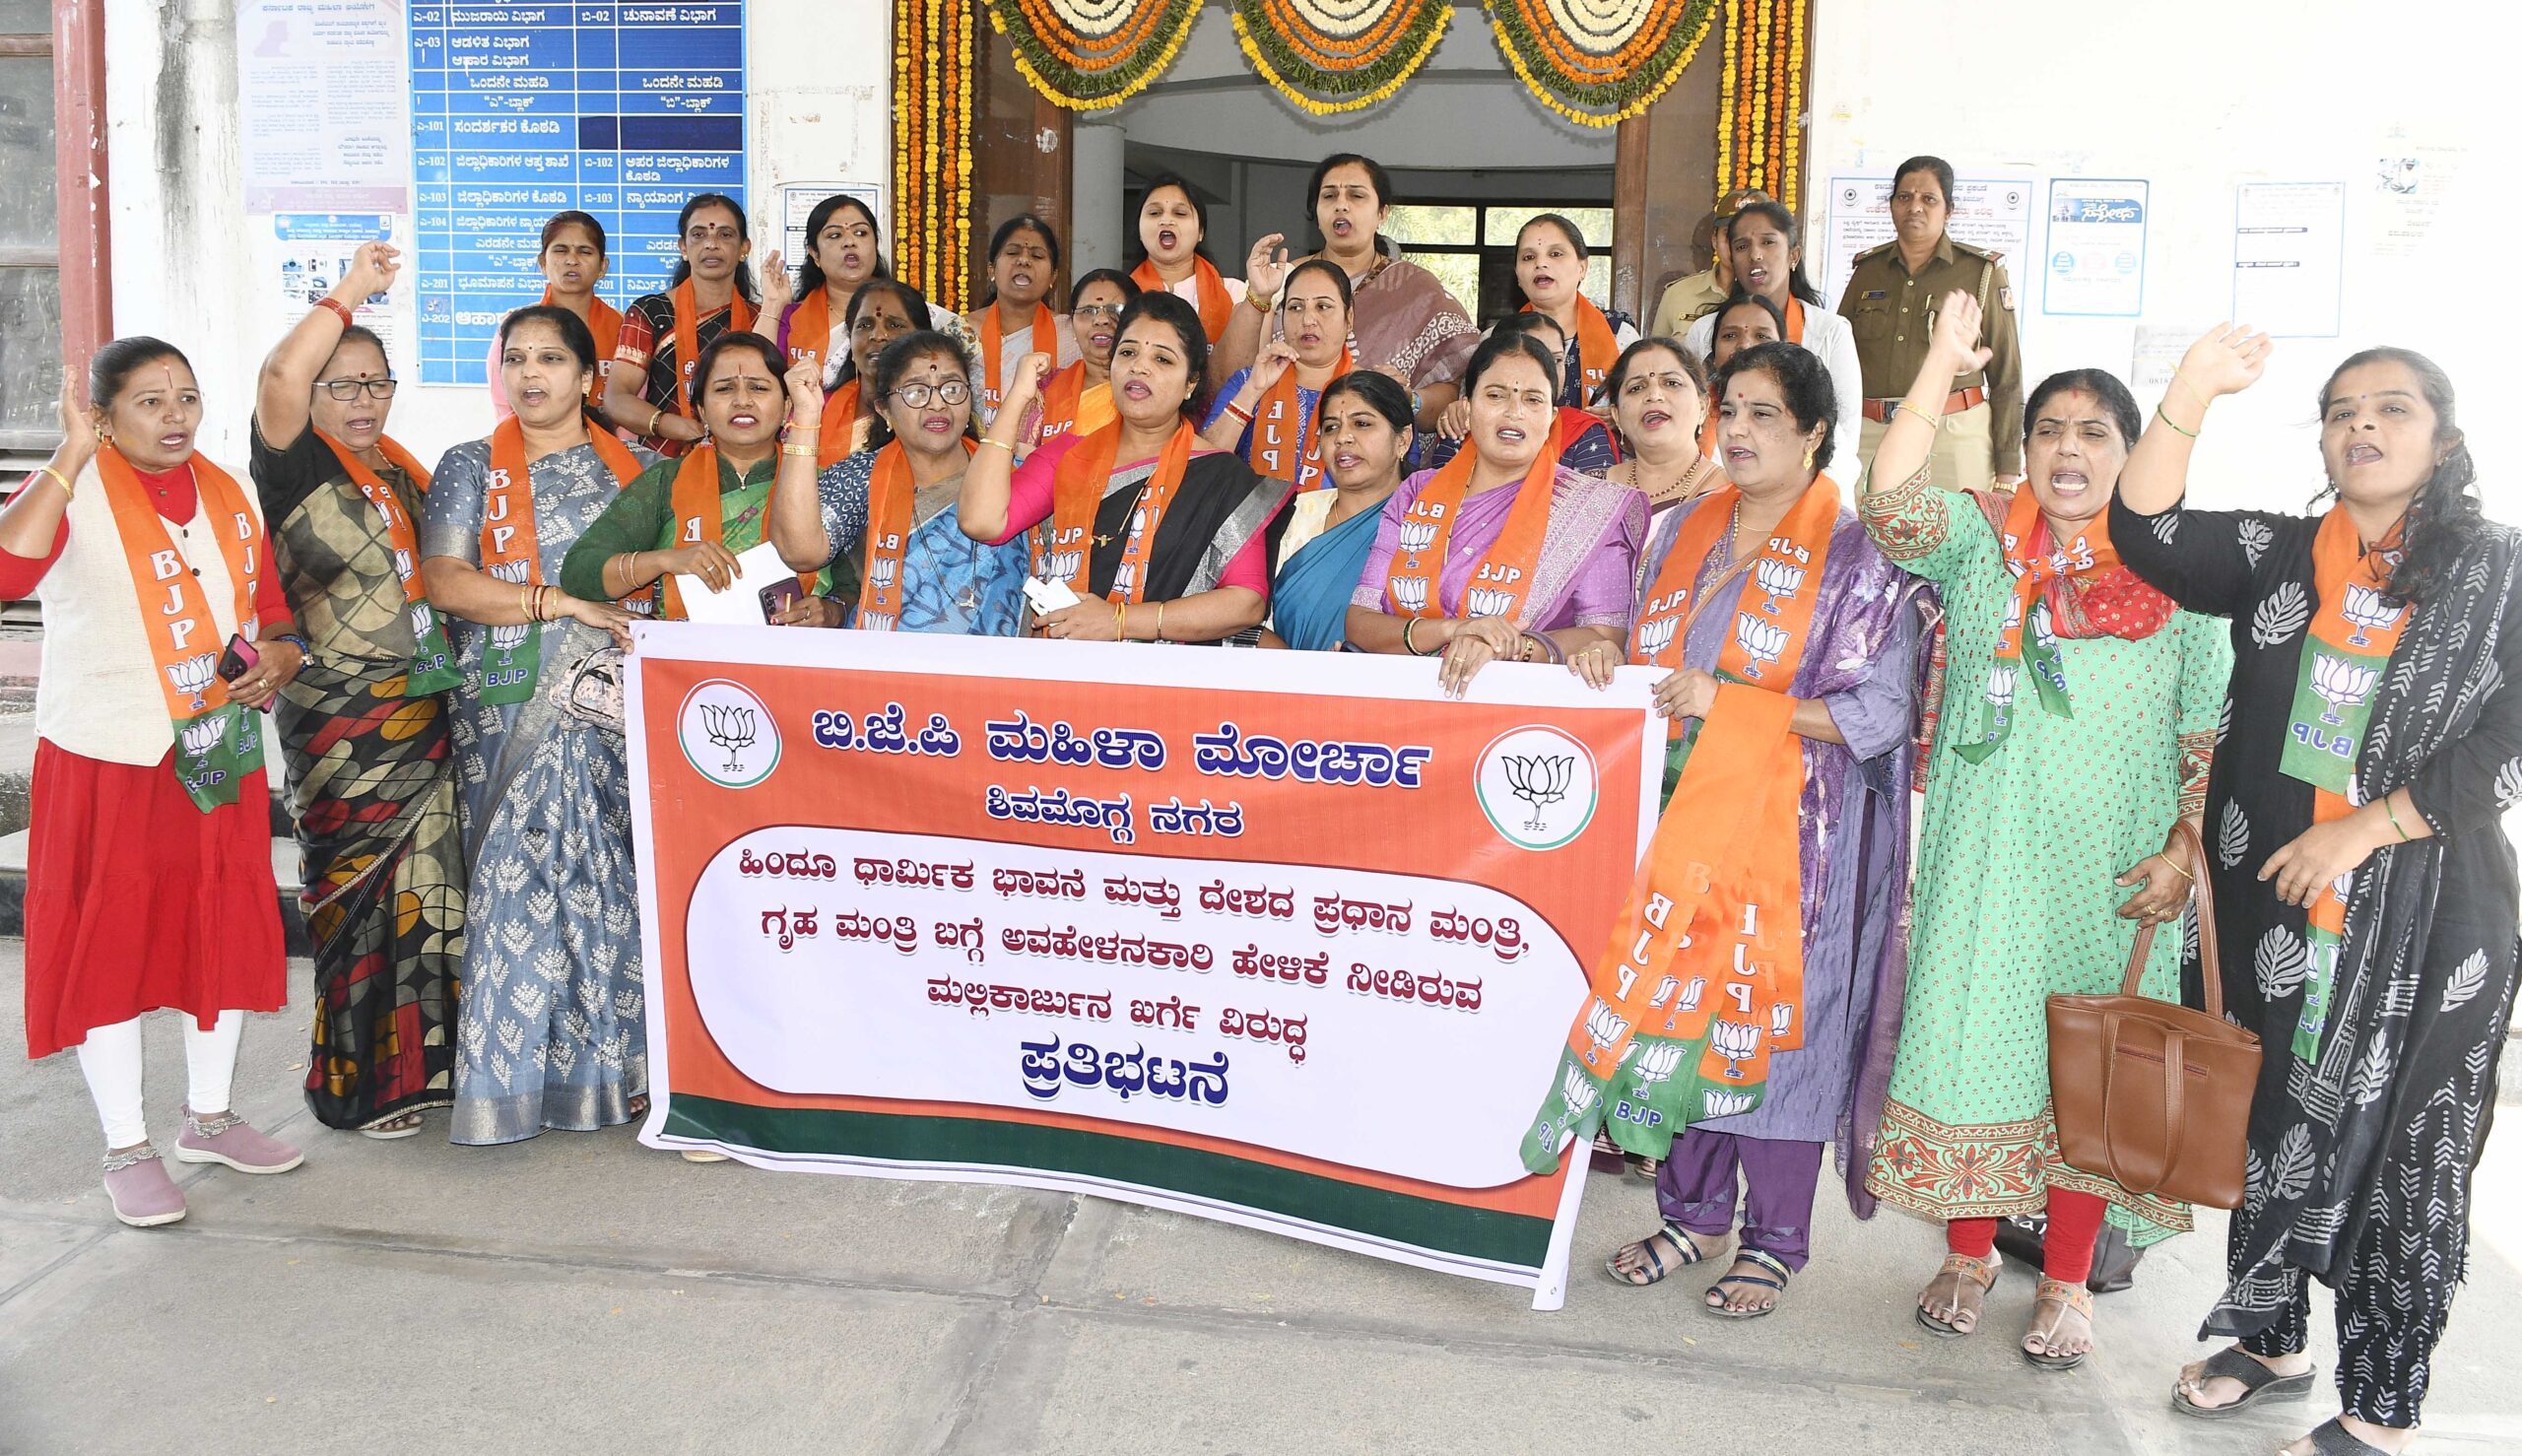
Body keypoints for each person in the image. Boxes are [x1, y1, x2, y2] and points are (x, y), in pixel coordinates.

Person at [2115, 330, 2518, 1456]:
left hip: (2426, 915)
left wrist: (2368, 824)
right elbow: (2142, 531)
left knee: (2401, 1151)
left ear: (2440, 439)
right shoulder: (2285, 552)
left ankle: (2381, 1408)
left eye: (2390, 407)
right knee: (2266, 1119)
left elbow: (2513, 732)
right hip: (2270, 900)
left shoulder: (2500, 569)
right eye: (2341, 409)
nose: (2362, 425)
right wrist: (2191, 388)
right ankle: (2272, 1335)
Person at [1856, 293, 2233, 1369]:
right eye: (2049, 432)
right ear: (2024, 448)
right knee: (1974, 1044)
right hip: (1987, 865)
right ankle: (1968, 1252)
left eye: (2093, 433)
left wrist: (2180, 851)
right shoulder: (1981, 540)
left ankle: (2067, 1279)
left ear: (2130, 450)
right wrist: (1937, 361)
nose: (2067, 451)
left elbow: (2209, 727)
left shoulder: (2183, 571)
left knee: (2093, 1071)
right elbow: (1888, 504)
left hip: (2115, 879)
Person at [1593, 340, 1918, 1318]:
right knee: (1678, 1013)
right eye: (1726, 409)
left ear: (1816, 432)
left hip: (1797, 840)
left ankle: (1774, 1238)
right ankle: (1690, 1214)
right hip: (1681, 824)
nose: (1733, 430)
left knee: (1773, 1031)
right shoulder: (1684, 527)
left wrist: (1733, 704)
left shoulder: (1862, 556)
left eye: (1761, 414)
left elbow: (1877, 711)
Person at [3, 345, 309, 1225]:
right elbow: (7, 572)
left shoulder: (225, 492)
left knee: (215, 925)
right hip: (107, 757)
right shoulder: (72, 487)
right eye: (148, 402)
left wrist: (281, 654)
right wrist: (67, 452)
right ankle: (126, 1144)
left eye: (186, 398)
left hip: (211, 752)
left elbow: (268, 608)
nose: (174, 417)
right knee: (112, 943)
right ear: (103, 415)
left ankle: (209, 1118)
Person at [247, 239, 467, 1139]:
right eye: (344, 384)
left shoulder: (404, 472)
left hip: (424, 714)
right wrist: (352, 292)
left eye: (377, 383)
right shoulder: (293, 463)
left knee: (432, 892)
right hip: (339, 724)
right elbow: (276, 372)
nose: (365, 400)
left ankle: (427, 1073)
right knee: (352, 896)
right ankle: (354, 1083)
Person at [420, 304, 652, 1146]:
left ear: (590, 378)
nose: (530, 375)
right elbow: (445, 580)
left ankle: (615, 1072)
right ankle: (511, 1084)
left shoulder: (645, 473)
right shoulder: (469, 465)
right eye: (516, 357)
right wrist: (553, 602)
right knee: (517, 884)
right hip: (506, 709)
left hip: (612, 708)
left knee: (605, 882)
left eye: (551, 359)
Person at [959, 292, 1287, 645]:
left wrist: (1120, 621)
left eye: (1162, 359)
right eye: (1128, 352)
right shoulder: (1069, 454)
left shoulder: (1222, 476)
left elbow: (1246, 601)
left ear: (1190, 383)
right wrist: (1020, 396)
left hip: (1169, 680)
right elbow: (982, 521)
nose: (1139, 367)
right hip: (1070, 671)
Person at [1345, 330, 1647, 696]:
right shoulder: (1417, 493)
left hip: (1521, 718)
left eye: (1533, 399)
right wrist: (1453, 630)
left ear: (1552, 416)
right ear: (1467, 406)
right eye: (1495, 395)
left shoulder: (1589, 508)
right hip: (1401, 705)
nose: (1514, 412)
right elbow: (1360, 621)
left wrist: (1513, 646)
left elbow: (1603, 635)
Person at [560, 331, 840, 628]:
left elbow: (853, 586)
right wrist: (665, 560)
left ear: (786, 407)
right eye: (724, 389)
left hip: (794, 662)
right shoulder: (666, 480)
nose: (742, 400)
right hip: (686, 665)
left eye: (758, 388)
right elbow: (579, 572)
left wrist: (832, 612)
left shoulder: (823, 484)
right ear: (702, 411)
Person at [769, 330, 1029, 636]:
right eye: (917, 392)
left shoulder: (1013, 476)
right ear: (884, 409)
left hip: (997, 674)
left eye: (952, 388)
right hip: (885, 672)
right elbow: (800, 552)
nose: (937, 405)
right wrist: (807, 417)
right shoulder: (861, 475)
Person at [1217, 153, 1477, 434]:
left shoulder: (1418, 290)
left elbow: (1457, 391)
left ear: (1382, 214)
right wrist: (1259, 297)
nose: (1341, 205)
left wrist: (1408, 399)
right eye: (1329, 196)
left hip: (1372, 464)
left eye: (1356, 196)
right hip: (1276, 449)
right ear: (1316, 214)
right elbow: (1228, 381)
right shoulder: (1281, 282)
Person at [1837, 156, 2024, 493]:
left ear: (1948, 210)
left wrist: (2008, 470)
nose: (1915, 208)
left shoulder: (1981, 272)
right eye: (1904, 197)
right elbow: (1840, 359)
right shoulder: (1868, 271)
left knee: (1957, 539)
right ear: (1891, 205)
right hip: (1872, 434)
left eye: (1929, 199)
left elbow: (2006, 378)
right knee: (1865, 539)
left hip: (1953, 434)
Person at [1683, 202, 1863, 463]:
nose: (1755, 255)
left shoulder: (1829, 331)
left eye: (1768, 242)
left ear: (1793, 256)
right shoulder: (1705, 330)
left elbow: (1844, 432)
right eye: (1742, 246)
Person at [1261, 370, 1413, 651]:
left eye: (1362, 423)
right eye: (1331, 427)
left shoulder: (1430, 518)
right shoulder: (1290, 516)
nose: (1343, 437)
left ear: (1402, 440)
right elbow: (1251, 622)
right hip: (1291, 686)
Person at [603, 192, 760, 454]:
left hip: (741, 458)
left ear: (744, 248)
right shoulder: (652, 311)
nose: (711, 244)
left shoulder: (761, 318)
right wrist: (670, 424)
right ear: (683, 248)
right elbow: (616, 398)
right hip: (663, 462)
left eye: (725, 235)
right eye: (698, 235)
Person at [763, 193, 961, 381]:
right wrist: (772, 305)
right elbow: (758, 376)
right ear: (814, 253)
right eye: (834, 235)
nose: (850, 242)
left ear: (875, 244)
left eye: (861, 233)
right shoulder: (792, 318)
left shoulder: (912, 312)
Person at [1202, 258, 1354, 491]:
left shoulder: (1372, 392)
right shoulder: (1248, 381)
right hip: (1255, 524)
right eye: (1295, 307)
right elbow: (1202, 468)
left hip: (1346, 526)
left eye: (1323, 307)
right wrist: (1252, 392)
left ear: (1349, 318)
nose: (1308, 320)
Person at [1428, 312, 1621, 477]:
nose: (1549, 369)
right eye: (1537, 355)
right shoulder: (1461, 423)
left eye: (1558, 359)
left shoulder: (1585, 431)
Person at [490, 211, 620, 416]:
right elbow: (505, 406)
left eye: (585, 251)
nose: (572, 261)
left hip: (610, 444)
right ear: (543, 263)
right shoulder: (515, 328)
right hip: (532, 444)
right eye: (561, 250)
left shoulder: (624, 328)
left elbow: (631, 402)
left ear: (603, 267)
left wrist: (612, 447)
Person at [1514, 213, 1639, 411]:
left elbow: (1643, 404)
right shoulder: (1497, 339)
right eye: (1528, 257)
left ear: (1582, 267)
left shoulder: (1619, 334)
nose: (1540, 264)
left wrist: (1621, 417)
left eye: (1555, 254)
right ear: (1517, 276)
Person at [966, 214, 1078, 426]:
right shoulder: (962, 331)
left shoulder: (1071, 334)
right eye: (1012, 252)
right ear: (992, 269)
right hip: (975, 454)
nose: (1024, 260)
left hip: (1050, 452)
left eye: (1037, 256)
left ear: (1053, 276)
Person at [1602, 338, 1723, 514]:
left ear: (1703, 407)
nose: (1654, 395)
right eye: (1636, 388)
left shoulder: (1733, 495)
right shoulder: (1594, 489)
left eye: (1672, 383)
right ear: (1616, 416)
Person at [1130, 174, 1245, 350]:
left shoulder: (1235, 293)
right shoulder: (1122, 294)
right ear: (1139, 229)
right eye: (1154, 213)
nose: (1166, 221)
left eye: (1180, 213)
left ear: (1200, 232)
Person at [1029, 268, 1137, 451]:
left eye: (1115, 310)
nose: (1101, 320)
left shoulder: (1150, 385)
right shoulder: (1046, 389)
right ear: (1072, 326)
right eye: (1088, 311)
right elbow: (1023, 458)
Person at [1649, 188, 1770, 338]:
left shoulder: (1776, 296)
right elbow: (1657, 357)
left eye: (1750, 234)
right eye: (1729, 233)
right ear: (1714, 239)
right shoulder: (1679, 294)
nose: (1738, 243)